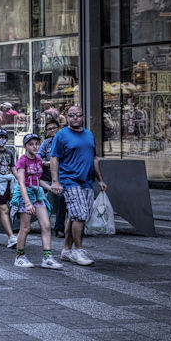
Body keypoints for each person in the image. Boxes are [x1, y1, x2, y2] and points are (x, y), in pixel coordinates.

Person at [50, 105, 107, 266]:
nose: (75, 117)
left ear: (83, 117)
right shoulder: (61, 135)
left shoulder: (89, 135)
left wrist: (100, 179)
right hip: (69, 181)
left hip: (87, 182)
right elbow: (54, 158)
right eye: (71, 115)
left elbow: (94, 158)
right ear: (67, 117)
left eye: (78, 115)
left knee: (75, 217)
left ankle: (67, 250)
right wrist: (55, 181)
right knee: (80, 215)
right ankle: (78, 250)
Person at [10, 133, 62, 269]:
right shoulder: (22, 160)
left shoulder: (38, 160)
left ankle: (47, 257)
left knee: (45, 225)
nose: (35, 146)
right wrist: (27, 203)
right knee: (25, 228)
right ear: (25, 146)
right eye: (31, 144)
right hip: (24, 194)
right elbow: (21, 183)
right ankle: (20, 257)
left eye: (37, 144)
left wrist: (50, 188)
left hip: (38, 194)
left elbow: (38, 180)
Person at [38, 119, 66, 238]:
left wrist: (51, 163)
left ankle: (59, 228)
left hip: (63, 174)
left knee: (60, 197)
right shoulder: (46, 143)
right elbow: (38, 157)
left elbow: (65, 160)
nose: (52, 130)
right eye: (49, 129)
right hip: (49, 173)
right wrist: (46, 163)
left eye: (54, 128)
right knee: (32, 178)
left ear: (58, 129)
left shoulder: (64, 141)